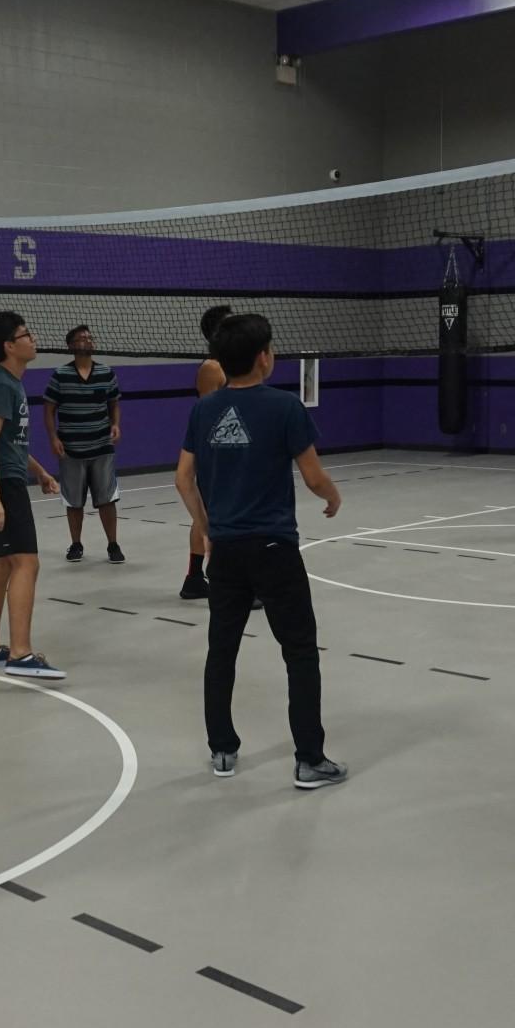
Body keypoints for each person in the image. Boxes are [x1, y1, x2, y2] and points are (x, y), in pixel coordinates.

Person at [175, 313, 347, 789]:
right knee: (299, 653)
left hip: (225, 551)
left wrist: (207, 525)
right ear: (263, 357)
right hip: (275, 549)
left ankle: (223, 750)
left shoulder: (204, 409)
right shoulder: (285, 407)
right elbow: (313, 477)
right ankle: (309, 759)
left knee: (221, 651)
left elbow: (182, 478)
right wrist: (332, 496)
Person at [0, 310, 65, 679]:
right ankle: (21, 653)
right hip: (1, 485)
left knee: (0, 563)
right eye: (26, 334)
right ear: (10, 346)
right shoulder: (1, 386)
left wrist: (39, 472)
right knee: (27, 563)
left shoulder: (11, 384)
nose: (33, 338)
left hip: (6, 479)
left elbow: (10, 444)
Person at [43, 324, 124, 565]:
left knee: (107, 499)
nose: (87, 341)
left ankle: (113, 545)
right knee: (74, 501)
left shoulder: (107, 372)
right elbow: (49, 411)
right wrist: (53, 438)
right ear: (71, 345)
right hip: (71, 449)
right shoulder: (60, 375)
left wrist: (116, 424)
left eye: (90, 337)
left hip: (102, 447)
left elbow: (114, 404)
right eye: (82, 338)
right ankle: (76, 544)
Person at [181, 304, 232, 601]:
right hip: (217, 452)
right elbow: (211, 414)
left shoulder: (230, 365)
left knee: (207, 514)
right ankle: (223, 580)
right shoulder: (211, 368)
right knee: (218, 516)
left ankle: (194, 578)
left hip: (226, 450)